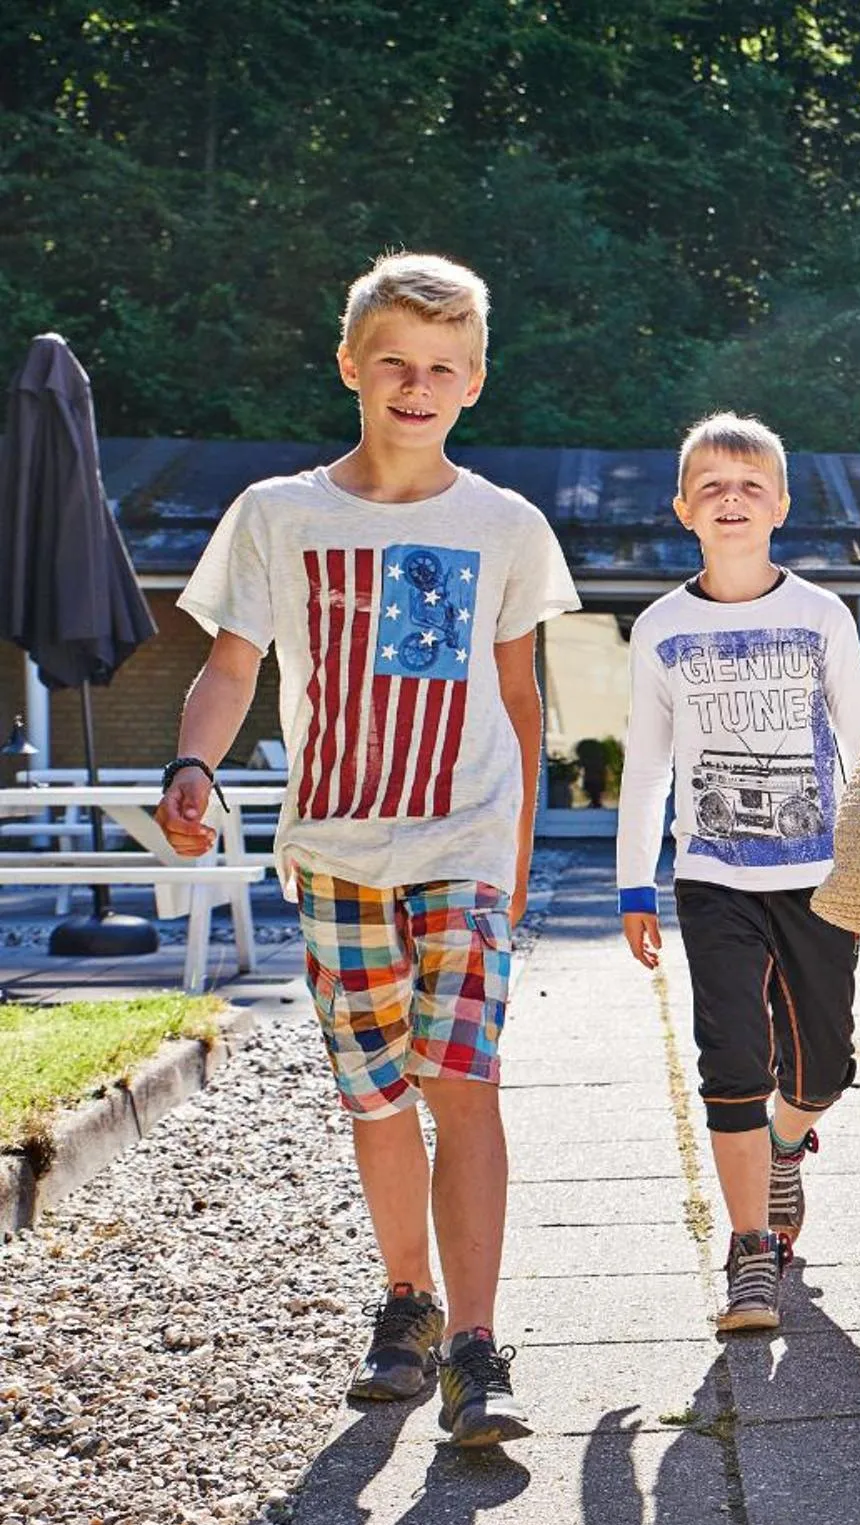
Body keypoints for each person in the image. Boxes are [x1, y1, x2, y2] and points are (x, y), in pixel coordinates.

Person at [155, 253, 579, 1445]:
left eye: (442, 366)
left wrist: (516, 856)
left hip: (464, 840)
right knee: (376, 1091)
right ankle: (407, 1303)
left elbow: (520, 697)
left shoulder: (503, 524)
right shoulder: (280, 516)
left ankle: (478, 1348)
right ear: (350, 365)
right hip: (335, 848)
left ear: (475, 383)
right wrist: (193, 765)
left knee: (463, 1083)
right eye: (394, 360)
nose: (416, 383)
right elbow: (231, 666)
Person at [615, 414, 860, 1331]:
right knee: (731, 1058)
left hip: (820, 878)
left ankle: (785, 1144)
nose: (732, 497)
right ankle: (749, 1251)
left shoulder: (819, 615)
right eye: (712, 485)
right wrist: (632, 884)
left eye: (751, 483)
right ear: (684, 508)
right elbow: (647, 766)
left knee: (824, 1067)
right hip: (712, 878)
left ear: (782, 506)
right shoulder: (661, 628)